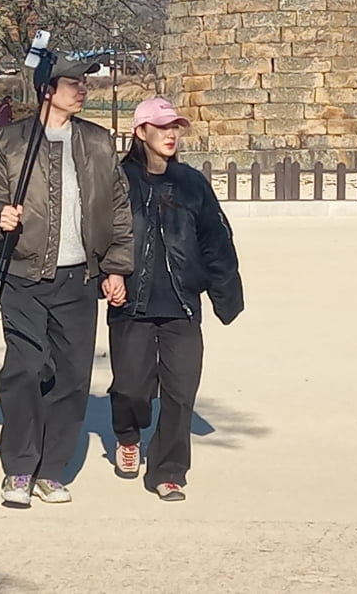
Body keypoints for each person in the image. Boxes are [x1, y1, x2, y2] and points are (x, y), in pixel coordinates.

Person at [0, 54, 134, 508]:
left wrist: (116, 266)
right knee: (23, 370)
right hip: (24, 275)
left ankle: (52, 470)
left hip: (79, 280)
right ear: (46, 89)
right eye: (72, 83)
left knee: (73, 377)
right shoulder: (10, 141)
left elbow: (119, 209)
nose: (82, 90)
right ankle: (20, 468)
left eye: (85, 83)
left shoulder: (98, 143)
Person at [109, 97, 243, 502]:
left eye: (176, 127)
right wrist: (106, 274)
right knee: (132, 388)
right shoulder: (117, 180)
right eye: (162, 127)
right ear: (140, 132)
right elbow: (97, 232)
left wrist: (225, 294)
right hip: (131, 301)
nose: (171, 134)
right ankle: (129, 435)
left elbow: (217, 239)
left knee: (181, 392)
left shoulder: (191, 182)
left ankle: (168, 469)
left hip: (182, 303)